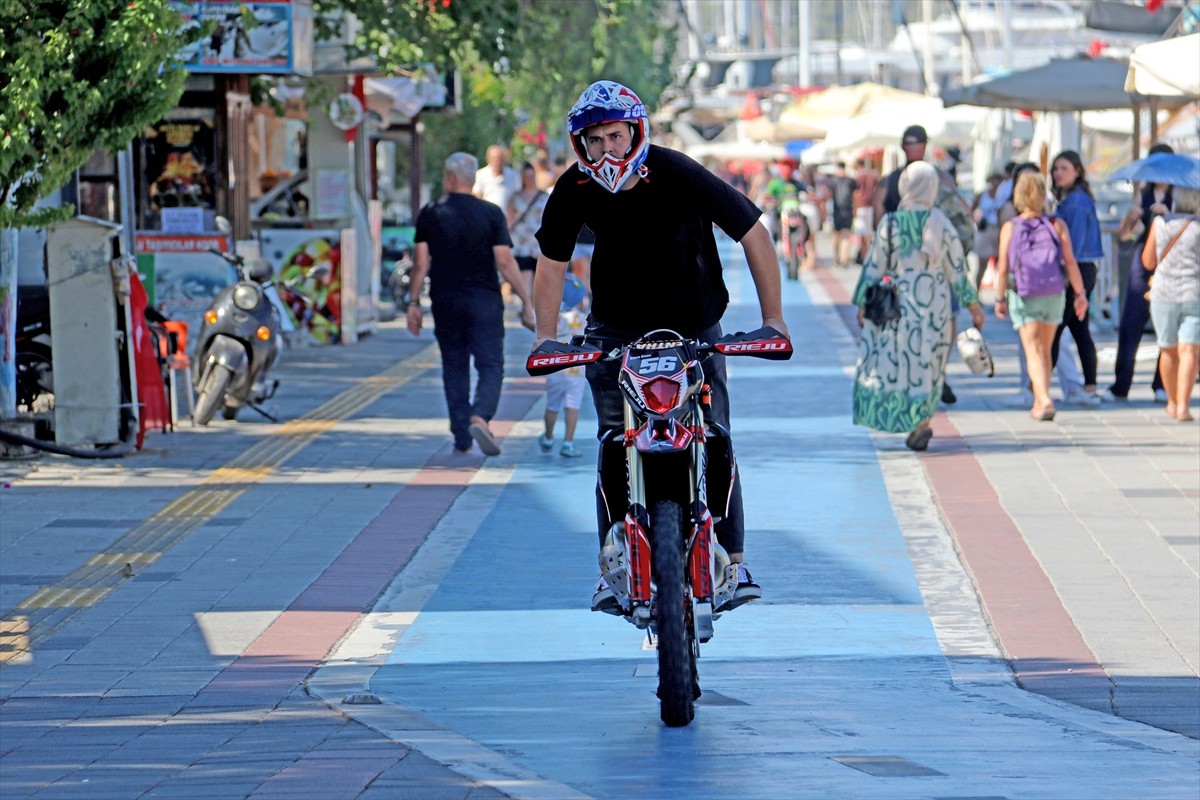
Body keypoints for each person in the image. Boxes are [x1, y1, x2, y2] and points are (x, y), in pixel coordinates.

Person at [530, 79, 789, 613]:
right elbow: (551, 264)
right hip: (614, 334)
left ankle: (734, 564)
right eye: (594, 140)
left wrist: (774, 320)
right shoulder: (573, 188)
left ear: (635, 131)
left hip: (694, 332)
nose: (607, 150)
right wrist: (545, 338)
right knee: (611, 442)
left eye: (615, 136)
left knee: (715, 437)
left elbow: (755, 233)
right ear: (581, 145)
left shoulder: (677, 171)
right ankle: (613, 563)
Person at [852, 161, 984, 451]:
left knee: (903, 364)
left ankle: (910, 421)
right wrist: (973, 306)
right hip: (935, 306)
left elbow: (874, 266)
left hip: (900, 306)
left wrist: (862, 303)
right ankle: (922, 422)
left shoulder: (890, 223)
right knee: (930, 365)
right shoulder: (941, 223)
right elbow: (958, 269)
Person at [409, 152, 534, 456]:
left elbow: (421, 263)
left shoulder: (431, 212)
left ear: (451, 179)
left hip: (446, 302)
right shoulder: (491, 213)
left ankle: (462, 437)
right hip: (485, 302)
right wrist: (526, 299)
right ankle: (481, 414)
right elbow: (504, 261)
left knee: (454, 366)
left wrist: (413, 303)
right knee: (491, 363)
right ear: (470, 179)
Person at [874, 124, 976, 405]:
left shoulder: (894, 181)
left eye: (915, 142)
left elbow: (878, 219)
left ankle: (928, 377)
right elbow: (964, 216)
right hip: (926, 271)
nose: (913, 147)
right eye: (910, 142)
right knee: (937, 325)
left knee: (919, 329)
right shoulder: (937, 178)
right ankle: (933, 377)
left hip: (913, 271)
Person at [994, 171, 1089, 422]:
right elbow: (1069, 261)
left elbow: (1003, 267)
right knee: (1045, 350)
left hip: (1025, 294)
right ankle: (1039, 399)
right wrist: (1080, 293)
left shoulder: (1010, 227)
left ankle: (1044, 399)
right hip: (1054, 293)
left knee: (1033, 350)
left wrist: (999, 298)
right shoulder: (1056, 224)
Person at [1104, 143, 1174, 403]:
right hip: (1143, 258)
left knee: (1167, 324)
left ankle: (1162, 383)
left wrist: (1169, 214)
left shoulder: (1183, 193)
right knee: (1131, 322)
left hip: (1170, 260)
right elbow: (1124, 235)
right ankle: (1121, 384)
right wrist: (1129, 219)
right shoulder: (1142, 192)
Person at [1050, 150, 1103, 404]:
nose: (1058, 173)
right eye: (1055, 169)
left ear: (1077, 171)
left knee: (1056, 328)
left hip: (1077, 270)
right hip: (1080, 269)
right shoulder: (1070, 198)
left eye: (1063, 168)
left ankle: (1039, 390)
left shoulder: (1077, 202)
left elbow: (1075, 246)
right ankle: (1089, 387)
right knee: (1079, 330)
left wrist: (1072, 282)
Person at [1142, 186, 1199, 421]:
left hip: (1163, 294)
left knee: (1167, 349)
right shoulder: (1197, 227)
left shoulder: (1159, 224)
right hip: (1192, 294)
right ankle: (1184, 406)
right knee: (1190, 351)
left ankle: (1172, 401)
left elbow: (1147, 261)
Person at [539, 273, 590, 456]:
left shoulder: (554, 318)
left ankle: (548, 437)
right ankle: (568, 443)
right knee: (572, 406)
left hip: (555, 369)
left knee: (552, 406)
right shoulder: (584, 319)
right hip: (576, 371)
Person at [506, 162, 549, 319]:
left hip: (538, 242)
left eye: (531, 176)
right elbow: (509, 218)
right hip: (521, 242)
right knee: (525, 273)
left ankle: (532, 307)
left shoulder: (544, 196)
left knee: (538, 277)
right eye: (526, 176)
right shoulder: (515, 196)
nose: (529, 179)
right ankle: (527, 307)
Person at [972, 173, 1004, 288]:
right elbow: (971, 209)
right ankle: (976, 292)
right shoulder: (982, 195)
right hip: (985, 230)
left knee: (1001, 264)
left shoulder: (1003, 195)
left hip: (999, 230)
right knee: (982, 264)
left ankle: (1000, 292)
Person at [473, 144, 520, 209]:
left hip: (507, 216)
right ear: (488, 159)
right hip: (488, 215)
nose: (497, 162)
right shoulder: (481, 174)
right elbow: (477, 196)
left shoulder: (513, 174)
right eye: (494, 158)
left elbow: (516, 196)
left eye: (500, 158)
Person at [851, 157, 879, 265]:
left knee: (861, 235)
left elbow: (855, 193)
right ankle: (869, 256)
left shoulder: (858, 177)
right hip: (871, 207)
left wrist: (854, 208)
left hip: (860, 207)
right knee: (869, 234)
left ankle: (864, 256)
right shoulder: (874, 176)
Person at [830, 162, 857, 267]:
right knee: (842, 235)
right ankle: (842, 258)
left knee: (840, 235)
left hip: (839, 211)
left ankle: (840, 257)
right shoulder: (849, 181)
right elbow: (854, 196)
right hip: (845, 210)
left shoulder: (833, 181)